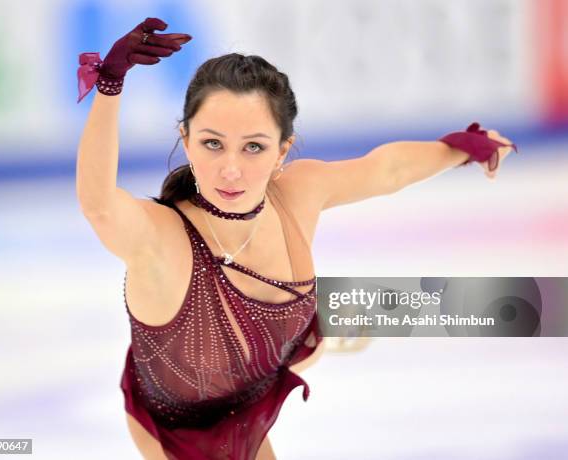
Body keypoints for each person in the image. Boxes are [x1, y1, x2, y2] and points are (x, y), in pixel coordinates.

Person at [75, 17, 518, 460]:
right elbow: (99, 205)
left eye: (253, 147)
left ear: (282, 150)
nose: (231, 170)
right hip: (182, 428)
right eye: (213, 144)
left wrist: (465, 147)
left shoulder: (295, 194)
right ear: (185, 140)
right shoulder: (161, 237)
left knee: (482, 306)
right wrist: (110, 85)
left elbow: (388, 169)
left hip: (262, 367)